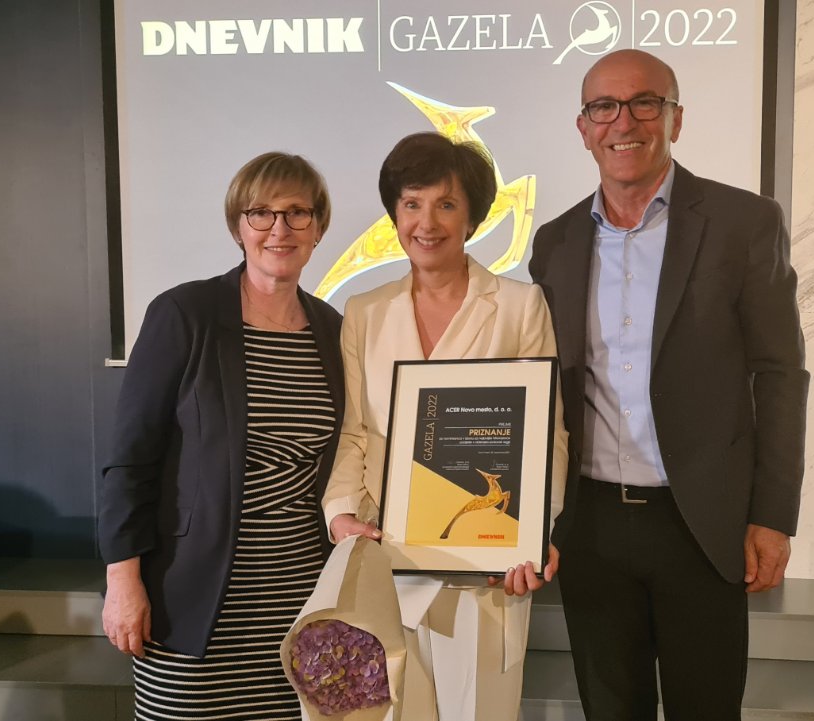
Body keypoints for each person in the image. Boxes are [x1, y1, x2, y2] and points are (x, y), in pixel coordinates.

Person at [528, 49, 809, 720]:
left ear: (675, 119)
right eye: (604, 107)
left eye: (645, 103)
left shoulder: (744, 223)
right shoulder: (555, 242)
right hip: (591, 525)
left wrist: (773, 514)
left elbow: (779, 374)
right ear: (583, 128)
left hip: (702, 524)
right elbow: (542, 386)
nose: (624, 122)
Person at [323, 131, 567, 721]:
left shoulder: (520, 305)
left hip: (487, 567)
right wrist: (340, 515)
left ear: (472, 217)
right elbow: (355, 431)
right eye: (412, 204)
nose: (426, 223)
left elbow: (547, 435)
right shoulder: (363, 311)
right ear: (395, 214)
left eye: (446, 204)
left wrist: (532, 533)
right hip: (388, 556)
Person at [98, 152, 346, 720]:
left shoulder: (334, 330)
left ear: (318, 228)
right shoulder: (185, 313)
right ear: (238, 226)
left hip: (302, 600)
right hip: (195, 600)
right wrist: (123, 582)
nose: (279, 229)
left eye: (297, 213)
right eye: (261, 213)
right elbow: (130, 460)